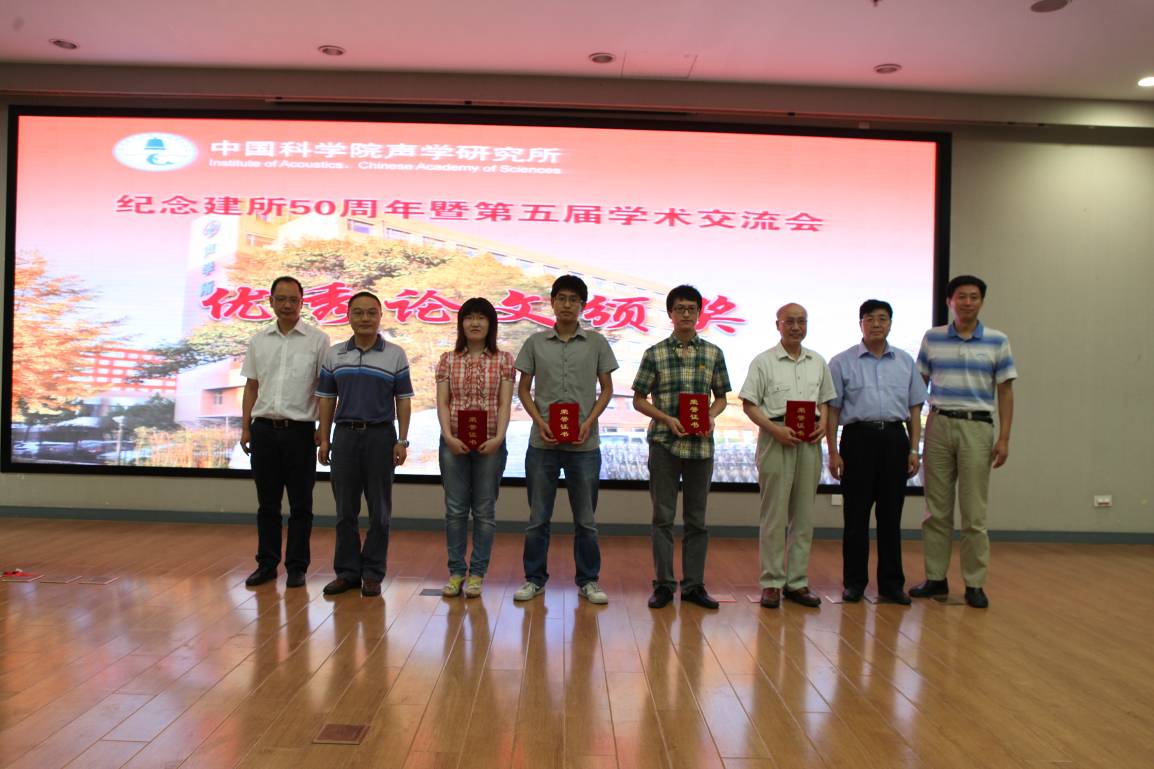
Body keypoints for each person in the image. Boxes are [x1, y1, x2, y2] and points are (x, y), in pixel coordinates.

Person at [910, 275, 1016, 609]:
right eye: (961, 296)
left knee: (974, 513)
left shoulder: (997, 341)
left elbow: (1005, 392)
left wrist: (1004, 438)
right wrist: (913, 436)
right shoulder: (933, 338)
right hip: (939, 424)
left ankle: (974, 583)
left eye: (973, 297)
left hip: (977, 427)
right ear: (949, 301)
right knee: (935, 510)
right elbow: (918, 387)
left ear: (981, 301)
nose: (967, 302)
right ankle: (935, 578)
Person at [512, 275, 618, 604]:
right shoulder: (535, 342)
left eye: (574, 299)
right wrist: (539, 421)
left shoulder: (597, 343)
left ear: (583, 305)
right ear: (553, 303)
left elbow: (607, 389)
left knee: (586, 520)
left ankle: (589, 581)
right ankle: (534, 579)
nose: (567, 304)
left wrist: (588, 422)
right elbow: (523, 390)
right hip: (542, 444)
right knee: (537, 519)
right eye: (562, 298)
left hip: (584, 445)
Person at [632, 285, 731, 609]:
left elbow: (721, 398)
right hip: (664, 443)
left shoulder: (713, 353)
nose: (686, 314)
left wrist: (712, 416)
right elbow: (638, 399)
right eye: (680, 308)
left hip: (701, 447)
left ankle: (693, 586)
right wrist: (666, 418)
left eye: (691, 308)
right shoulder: (655, 353)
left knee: (697, 520)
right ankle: (663, 584)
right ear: (670, 314)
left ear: (699, 313)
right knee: (662, 517)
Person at [827, 299, 928, 605]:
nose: (876, 324)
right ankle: (854, 583)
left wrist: (914, 449)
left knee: (890, 516)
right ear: (860, 324)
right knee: (855, 516)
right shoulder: (841, 362)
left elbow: (914, 410)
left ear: (890, 324)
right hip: (857, 440)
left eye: (882, 318)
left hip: (895, 440)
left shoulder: (905, 362)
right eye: (869, 319)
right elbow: (833, 411)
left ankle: (891, 585)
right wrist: (833, 452)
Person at [316, 291, 413, 598]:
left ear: (380, 316)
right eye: (358, 312)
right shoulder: (334, 354)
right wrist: (324, 437)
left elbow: (403, 400)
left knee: (379, 511)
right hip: (345, 436)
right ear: (348, 316)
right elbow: (326, 399)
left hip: (380, 437)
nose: (365, 318)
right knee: (345, 510)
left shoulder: (395, 354)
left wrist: (402, 440)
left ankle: (372, 573)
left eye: (371, 312)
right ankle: (347, 572)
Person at [740, 303, 836, 609]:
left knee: (804, 516)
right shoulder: (763, 361)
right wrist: (774, 430)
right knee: (774, 515)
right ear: (778, 325)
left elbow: (826, 401)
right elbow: (749, 404)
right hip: (776, 437)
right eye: (790, 321)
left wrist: (823, 423)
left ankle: (797, 582)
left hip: (809, 442)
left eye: (801, 321)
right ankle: (771, 582)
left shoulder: (817, 361)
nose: (796, 327)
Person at [239, 276, 329, 588]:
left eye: (293, 299)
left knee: (301, 505)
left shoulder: (318, 340)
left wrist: (323, 429)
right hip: (263, 430)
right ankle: (266, 565)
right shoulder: (259, 340)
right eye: (281, 299)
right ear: (271, 302)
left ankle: (297, 568)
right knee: (267, 504)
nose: (287, 305)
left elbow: (325, 390)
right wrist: (245, 427)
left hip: (300, 432)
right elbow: (251, 387)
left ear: (302, 302)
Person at [435, 298, 515, 598]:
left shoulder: (504, 359)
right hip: (453, 442)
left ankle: (477, 574)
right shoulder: (448, 359)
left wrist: (499, 437)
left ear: (491, 324)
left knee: (484, 511)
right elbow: (443, 402)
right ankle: (456, 572)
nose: (475, 323)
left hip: (490, 443)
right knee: (455, 510)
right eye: (469, 317)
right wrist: (448, 435)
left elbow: (504, 403)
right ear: (461, 323)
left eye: (482, 317)